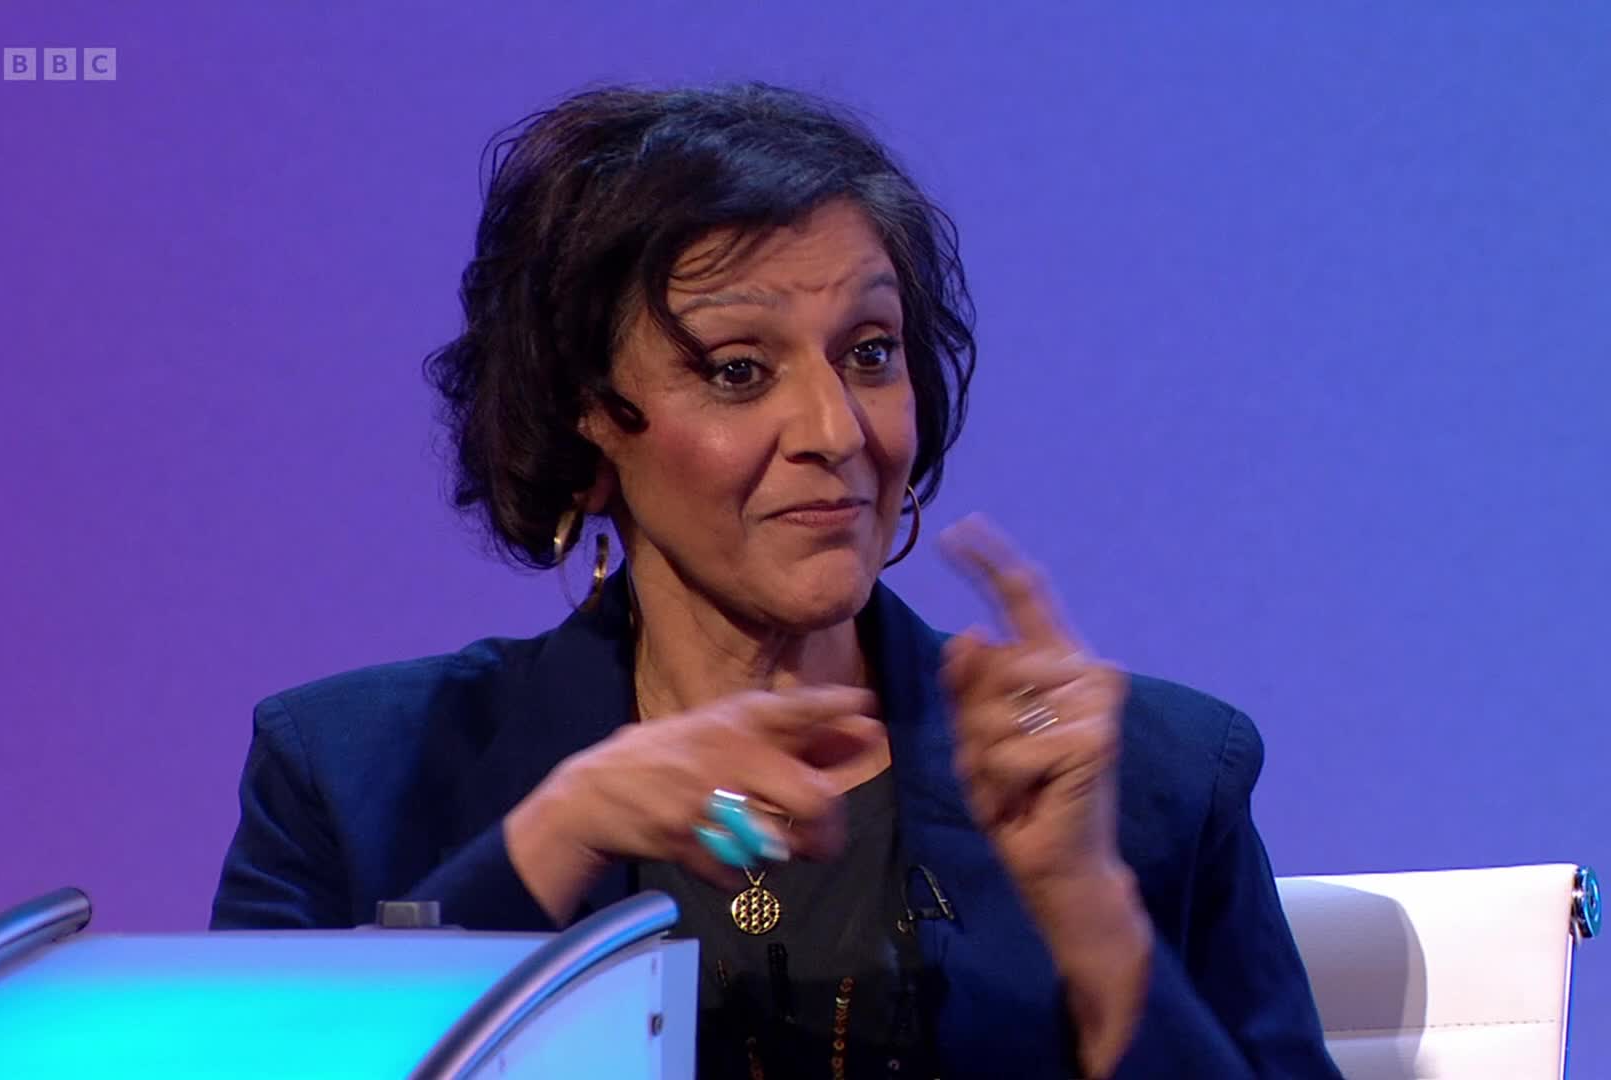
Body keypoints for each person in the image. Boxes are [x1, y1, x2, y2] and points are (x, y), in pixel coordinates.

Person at [210, 82, 1341, 1079]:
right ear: (589, 416)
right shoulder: (357, 777)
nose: (834, 430)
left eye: (870, 354)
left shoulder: (1151, 779)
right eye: (740, 371)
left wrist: (1090, 912)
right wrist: (553, 843)